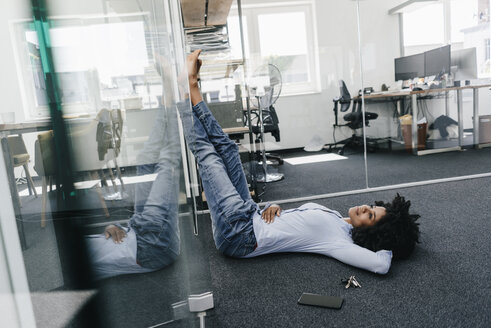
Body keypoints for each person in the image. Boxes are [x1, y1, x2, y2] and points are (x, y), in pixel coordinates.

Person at [177, 49, 420, 274]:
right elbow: (291, 227)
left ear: (370, 233)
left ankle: (180, 96)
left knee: (210, 158)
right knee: (229, 150)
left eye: (370, 216)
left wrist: (392, 242)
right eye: (372, 207)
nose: (365, 208)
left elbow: (380, 264)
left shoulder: (339, 243)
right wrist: (272, 208)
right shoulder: (337, 220)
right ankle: (192, 87)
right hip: (251, 215)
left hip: (239, 234)